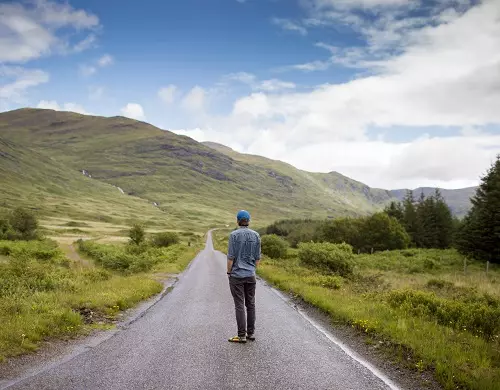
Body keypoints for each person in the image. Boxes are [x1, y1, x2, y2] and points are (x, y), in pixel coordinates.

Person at [227, 210, 261, 343]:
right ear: (249, 221)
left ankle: (241, 335)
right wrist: (251, 269)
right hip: (251, 274)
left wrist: (229, 272)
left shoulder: (233, 235)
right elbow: (257, 259)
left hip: (237, 275)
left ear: (237, 221)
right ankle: (250, 334)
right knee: (251, 304)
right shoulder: (256, 235)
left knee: (239, 305)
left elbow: (231, 258)